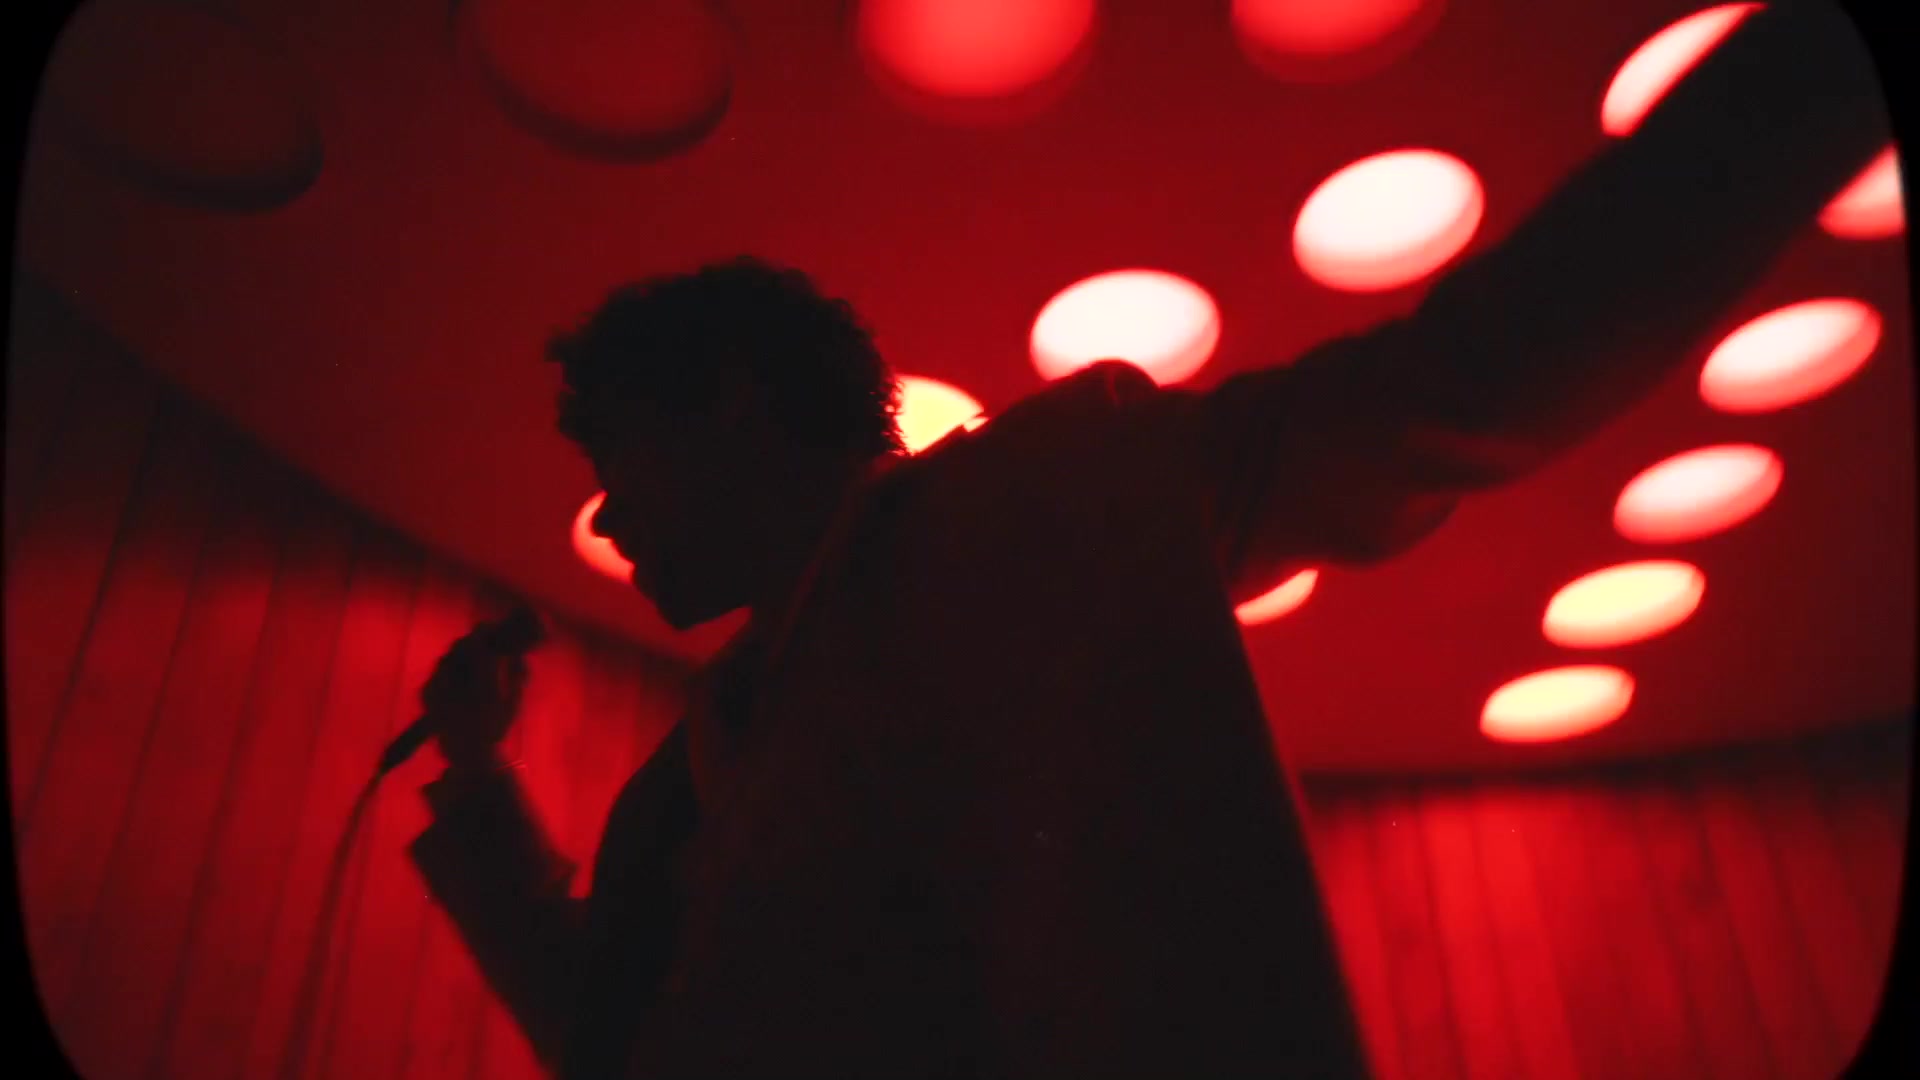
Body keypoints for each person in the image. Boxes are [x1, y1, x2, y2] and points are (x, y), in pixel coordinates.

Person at [405, 3, 1889, 1077]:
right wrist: (476, 778)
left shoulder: (1060, 489)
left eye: (617, 461)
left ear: (733, 404)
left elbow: (1455, 388)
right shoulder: (673, 794)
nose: (611, 515)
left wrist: (1801, 84)